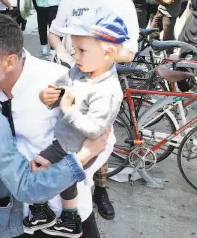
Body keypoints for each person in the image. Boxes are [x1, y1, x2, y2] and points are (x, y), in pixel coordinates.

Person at [0, 14, 109, 238]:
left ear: (10, 61)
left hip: (63, 215)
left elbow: (104, 138)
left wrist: (75, 169)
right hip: (14, 218)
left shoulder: (58, 81)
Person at [49, 0, 139, 222]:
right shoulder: (70, 0)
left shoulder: (121, 5)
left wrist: (103, 57)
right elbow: (54, 34)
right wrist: (65, 56)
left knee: (97, 137)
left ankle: (100, 190)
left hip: (100, 83)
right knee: (66, 135)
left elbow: (130, 50)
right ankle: (68, 199)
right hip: (71, 77)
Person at [23, 14, 128, 237]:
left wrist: (68, 109)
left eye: (82, 50)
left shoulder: (107, 91)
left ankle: (44, 211)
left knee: (39, 167)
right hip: (64, 142)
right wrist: (48, 96)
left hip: (76, 147)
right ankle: (68, 219)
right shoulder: (79, 71)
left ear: (108, 52)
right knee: (59, 178)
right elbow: (60, 87)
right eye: (75, 48)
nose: (74, 54)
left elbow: (95, 130)